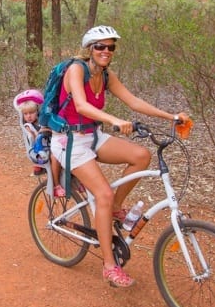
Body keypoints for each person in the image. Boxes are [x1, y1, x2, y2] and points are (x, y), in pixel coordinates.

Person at [48, 25, 189, 288]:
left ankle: (113, 210)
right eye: (100, 46)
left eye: (111, 47)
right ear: (89, 49)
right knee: (103, 193)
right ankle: (109, 265)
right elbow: (80, 105)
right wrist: (114, 119)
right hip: (69, 141)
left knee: (140, 155)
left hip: (92, 135)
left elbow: (133, 101)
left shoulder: (106, 74)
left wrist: (172, 117)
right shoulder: (76, 69)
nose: (106, 51)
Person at [16, 90, 65, 197]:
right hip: (40, 149)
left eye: (31, 113)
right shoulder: (28, 126)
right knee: (55, 156)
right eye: (26, 114)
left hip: (51, 144)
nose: (29, 116)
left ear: (37, 111)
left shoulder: (41, 121)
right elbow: (33, 137)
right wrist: (41, 131)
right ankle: (56, 185)